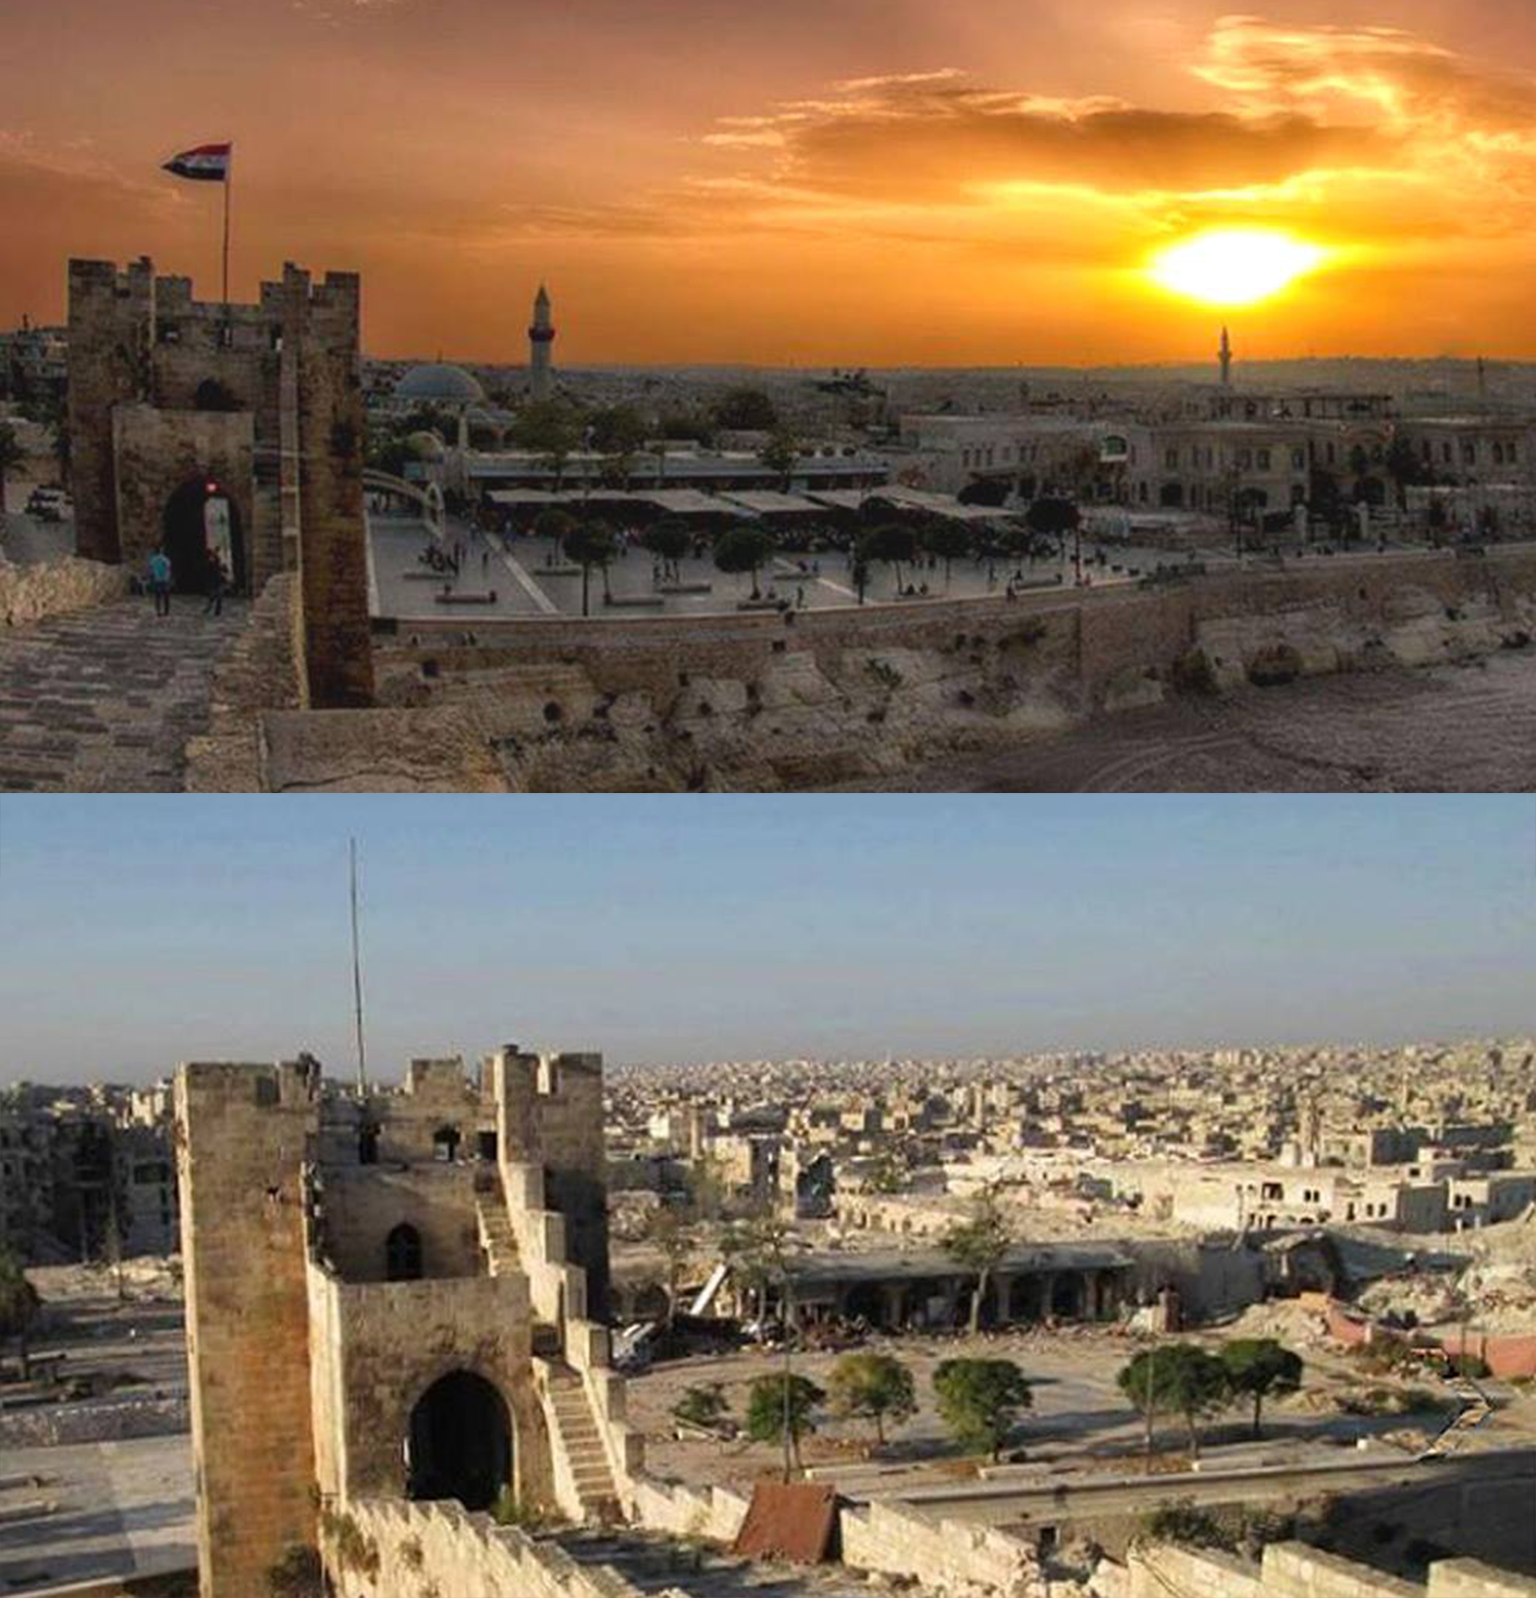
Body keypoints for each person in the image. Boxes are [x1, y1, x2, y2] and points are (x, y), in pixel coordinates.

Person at [147, 548, 172, 616]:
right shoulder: (166, 559)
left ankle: (158, 611)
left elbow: (150, 570)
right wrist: (168, 577)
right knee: (166, 597)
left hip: (157, 580)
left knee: (158, 597)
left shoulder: (153, 560)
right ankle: (166, 611)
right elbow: (169, 568)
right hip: (164, 580)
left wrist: (151, 577)